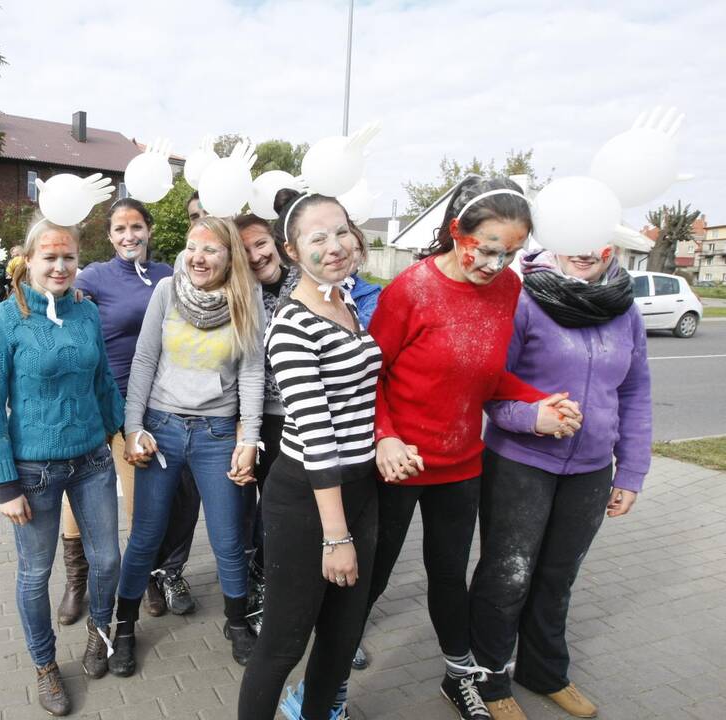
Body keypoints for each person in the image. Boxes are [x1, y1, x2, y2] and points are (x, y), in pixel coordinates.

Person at [363, 176, 581, 720]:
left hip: (460, 466)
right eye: (486, 249)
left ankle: (458, 676)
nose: (494, 264)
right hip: (399, 462)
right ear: (456, 232)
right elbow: (369, 377)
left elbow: (488, 376)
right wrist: (384, 436)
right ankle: (333, 662)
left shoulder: (508, 290)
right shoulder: (409, 289)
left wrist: (540, 403)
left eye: (509, 254)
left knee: (449, 573)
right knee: (376, 571)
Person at [468, 244, 650, 720]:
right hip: (520, 464)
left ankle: (544, 672)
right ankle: (487, 680)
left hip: (590, 470)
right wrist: (533, 418)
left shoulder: (624, 308)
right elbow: (489, 384)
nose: (586, 252)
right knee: (508, 577)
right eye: (576, 239)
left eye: (598, 242)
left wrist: (631, 469)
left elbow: (635, 391)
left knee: (556, 579)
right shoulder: (523, 300)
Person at [237, 191, 382, 720]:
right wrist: (336, 536)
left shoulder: (346, 303)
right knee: (283, 644)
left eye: (341, 231)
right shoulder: (293, 324)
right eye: (317, 237)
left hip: (362, 489)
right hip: (309, 499)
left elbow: (361, 400)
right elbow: (317, 437)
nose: (335, 245)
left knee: (342, 639)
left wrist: (385, 441)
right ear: (291, 250)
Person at [0, 214, 124, 717]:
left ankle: (99, 634)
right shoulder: (3, 320)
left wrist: (121, 430)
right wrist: (3, 484)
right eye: (50, 257)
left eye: (69, 258)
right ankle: (44, 665)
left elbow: (103, 378)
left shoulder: (85, 312)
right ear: (29, 259)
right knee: (35, 573)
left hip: (92, 461)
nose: (60, 267)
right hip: (33, 471)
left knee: (108, 560)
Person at [110, 216, 265, 675]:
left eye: (211, 249)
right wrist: (133, 426)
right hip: (161, 429)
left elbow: (253, 370)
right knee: (145, 536)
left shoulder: (247, 296)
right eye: (193, 247)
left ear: (230, 255)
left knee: (228, 539)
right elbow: (143, 359)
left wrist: (250, 437)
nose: (199, 257)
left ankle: (236, 624)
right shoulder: (166, 291)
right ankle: (123, 628)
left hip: (217, 434)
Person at [54, 199, 175, 626]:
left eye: (137, 227)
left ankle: (144, 577)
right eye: (120, 229)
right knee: (78, 492)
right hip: (96, 401)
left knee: (142, 498)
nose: (129, 236)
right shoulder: (94, 277)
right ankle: (76, 581)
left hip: (145, 405)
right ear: (109, 236)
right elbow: (62, 311)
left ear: (148, 230)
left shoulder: (167, 276)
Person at [233, 212, 300, 635]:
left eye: (260, 244)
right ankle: (262, 590)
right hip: (259, 421)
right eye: (245, 251)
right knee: (259, 515)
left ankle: (313, 609)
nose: (257, 256)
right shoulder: (240, 294)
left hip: (306, 421)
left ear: (275, 241)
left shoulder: (310, 284)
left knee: (302, 516)